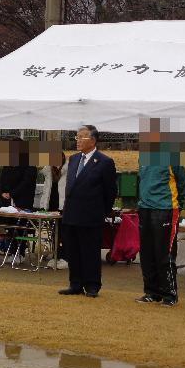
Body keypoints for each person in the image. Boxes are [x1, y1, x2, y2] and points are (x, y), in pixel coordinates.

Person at [59, 125, 117, 298]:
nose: (78, 140)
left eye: (82, 137)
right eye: (77, 137)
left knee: (90, 251)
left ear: (93, 140)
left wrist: (102, 212)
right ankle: (75, 283)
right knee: (73, 250)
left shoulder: (104, 162)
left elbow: (111, 191)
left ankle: (92, 285)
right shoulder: (73, 159)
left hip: (91, 214)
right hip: (71, 212)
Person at [135, 165, 185, 306]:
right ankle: (151, 292)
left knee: (164, 253)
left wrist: (178, 205)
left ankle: (170, 294)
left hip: (166, 208)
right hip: (145, 208)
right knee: (146, 253)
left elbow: (183, 184)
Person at [0, 160, 37, 265]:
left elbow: (26, 183)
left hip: (23, 202)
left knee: (21, 228)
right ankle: (12, 252)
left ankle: (21, 253)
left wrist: (12, 193)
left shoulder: (30, 166)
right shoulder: (8, 165)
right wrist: (2, 193)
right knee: (10, 228)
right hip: (7, 203)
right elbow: (1, 181)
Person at [41, 153, 68, 270]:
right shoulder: (47, 171)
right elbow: (46, 189)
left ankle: (65, 257)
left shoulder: (68, 170)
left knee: (64, 233)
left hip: (63, 206)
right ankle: (56, 256)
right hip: (51, 206)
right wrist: (43, 205)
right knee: (53, 233)